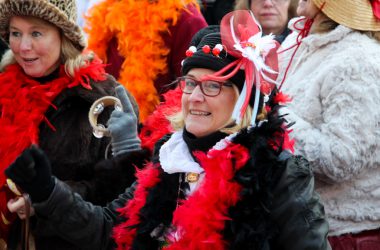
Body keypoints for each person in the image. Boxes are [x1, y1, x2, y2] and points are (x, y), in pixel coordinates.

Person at [5, 11, 330, 250]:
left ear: (243, 101)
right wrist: (46, 189)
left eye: (213, 87)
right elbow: (108, 231)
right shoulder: (170, 161)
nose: (196, 97)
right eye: (190, 83)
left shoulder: (280, 174)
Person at [0, 0, 143, 249]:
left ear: (64, 36)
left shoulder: (104, 98)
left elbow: (119, 189)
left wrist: (44, 197)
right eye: (15, 33)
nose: (23, 46)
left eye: (36, 33)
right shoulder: (4, 89)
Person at [278, 0, 380, 249]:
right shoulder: (298, 40)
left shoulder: (358, 61)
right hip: (299, 226)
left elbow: (342, 158)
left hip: (340, 237)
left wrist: (274, 117)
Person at [84, 0, 207, 122]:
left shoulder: (187, 20)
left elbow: (197, 92)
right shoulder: (108, 11)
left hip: (152, 134)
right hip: (102, 126)